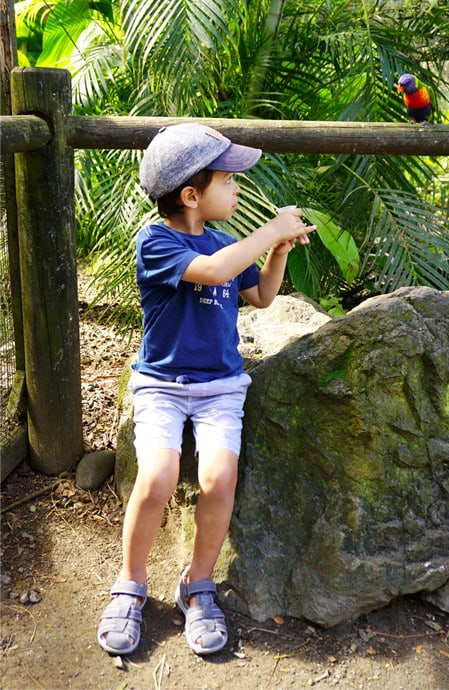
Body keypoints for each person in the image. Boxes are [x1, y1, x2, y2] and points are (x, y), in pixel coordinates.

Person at [97, 123, 314, 656]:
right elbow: (215, 271)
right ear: (192, 196)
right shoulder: (157, 242)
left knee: (219, 480)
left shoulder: (224, 242)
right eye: (228, 180)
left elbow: (261, 296)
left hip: (219, 388)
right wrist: (266, 231)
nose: (237, 187)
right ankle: (131, 582)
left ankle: (198, 584)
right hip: (162, 387)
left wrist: (278, 249)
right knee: (159, 474)